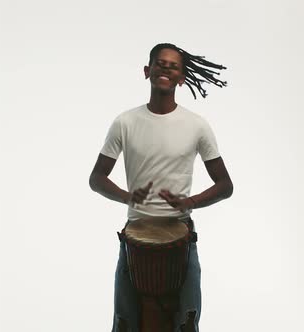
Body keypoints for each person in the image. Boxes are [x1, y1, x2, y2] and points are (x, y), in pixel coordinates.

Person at [89, 43, 234, 332]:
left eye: (173, 66)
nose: (166, 68)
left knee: (186, 324)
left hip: (181, 235)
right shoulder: (125, 122)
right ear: (147, 71)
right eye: (160, 63)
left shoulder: (197, 125)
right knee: (125, 325)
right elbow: (97, 179)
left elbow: (225, 185)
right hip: (135, 236)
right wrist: (128, 197)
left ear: (182, 78)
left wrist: (189, 202)